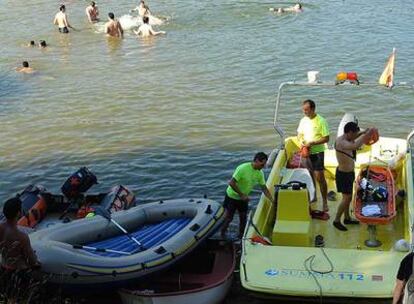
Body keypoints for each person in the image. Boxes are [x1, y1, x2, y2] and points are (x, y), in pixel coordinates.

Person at [220, 152, 274, 239]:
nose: (263, 167)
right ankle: (222, 234)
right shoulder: (242, 168)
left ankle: (241, 236)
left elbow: (264, 188)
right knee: (229, 218)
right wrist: (241, 195)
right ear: (256, 160)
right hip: (232, 197)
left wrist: (272, 200)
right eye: (262, 164)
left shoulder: (260, 173)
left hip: (243, 199)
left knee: (243, 217)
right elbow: (231, 183)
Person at [333, 122, 372, 231]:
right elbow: (355, 145)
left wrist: (363, 132)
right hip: (343, 174)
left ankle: (347, 218)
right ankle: (336, 220)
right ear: (349, 132)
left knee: (348, 197)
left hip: (349, 173)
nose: (356, 135)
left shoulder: (348, 137)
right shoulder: (341, 142)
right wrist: (366, 135)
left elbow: (355, 137)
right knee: (346, 198)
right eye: (355, 133)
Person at [297, 99, 330, 212]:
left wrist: (312, 143)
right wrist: (301, 141)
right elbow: (299, 134)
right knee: (310, 176)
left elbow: (326, 138)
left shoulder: (321, 121)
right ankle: (314, 196)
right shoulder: (303, 120)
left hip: (317, 153)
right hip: (306, 152)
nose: (304, 112)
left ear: (313, 109)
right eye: (303, 110)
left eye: (306, 110)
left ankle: (325, 201)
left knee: (320, 177)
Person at [0, 197, 40, 271]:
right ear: (18, 213)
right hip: (19, 272)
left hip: (3, 266)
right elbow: (32, 261)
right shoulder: (22, 237)